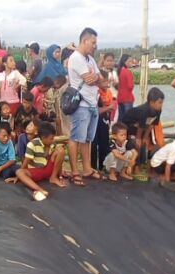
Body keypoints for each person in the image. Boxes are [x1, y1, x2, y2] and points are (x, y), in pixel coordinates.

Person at [67, 28, 102, 186]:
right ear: (84, 41)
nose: (95, 46)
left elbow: (100, 78)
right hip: (81, 103)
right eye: (93, 42)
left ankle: (87, 168)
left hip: (92, 103)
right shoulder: (76, 58)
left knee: (87, 139)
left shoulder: (90, 60)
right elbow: (89, 79)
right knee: (76, 138)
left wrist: (95, 77)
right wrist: (95, 77)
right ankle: (75, 171)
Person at [15, 122, 66, 201]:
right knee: (19, 172)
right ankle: (40, 189)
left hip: (48, 170)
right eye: (51, 138)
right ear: (43, 138)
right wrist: (18, 177)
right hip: (36, 171)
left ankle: (53, 178)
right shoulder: (32, 144)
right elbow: (26, 162)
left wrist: (59, 176)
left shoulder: (52, 144)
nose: (53, 140)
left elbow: (58, 161)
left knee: (61, 150)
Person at [120, 87, 166, 171]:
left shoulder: (158, 110)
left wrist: (145, 138)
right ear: (151, 102)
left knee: (144, 143)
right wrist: (138, 139)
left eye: (162, 102)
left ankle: (141, 164)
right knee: (136, 144)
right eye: (159, 103)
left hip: (140, 127)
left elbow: (152, 124)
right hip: (128, 127)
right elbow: (140, 127)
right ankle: (135, 166)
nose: (161, 105)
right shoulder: (143, 110)